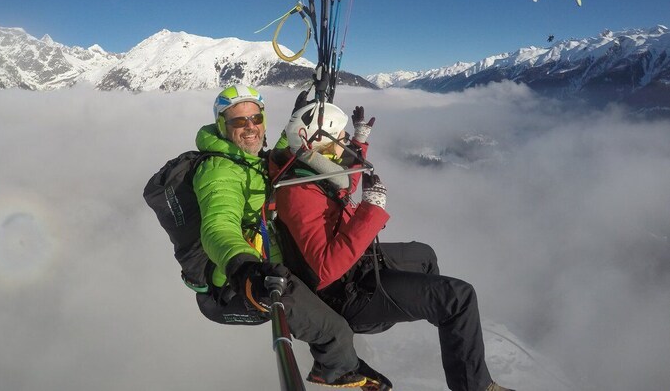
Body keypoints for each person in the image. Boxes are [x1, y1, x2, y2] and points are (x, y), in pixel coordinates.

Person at [270, 100, 515, 391]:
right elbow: (326, 269)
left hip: (355, 267)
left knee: (424, 255)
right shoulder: (300, 194)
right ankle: (475, 385)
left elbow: (342, 182)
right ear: (319, 143)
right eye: (342, 137)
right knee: (458, 298)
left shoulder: (306, 169)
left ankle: (434, 316)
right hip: (347, 293)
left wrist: (359, 143)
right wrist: (370, 211)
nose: (345, 141)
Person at [191, 84, 389, 388]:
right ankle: (340, 371)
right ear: (221, 125)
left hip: (268, 262)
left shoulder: (247, 158)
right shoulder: (220, 172)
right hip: (242, 284)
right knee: (334, 330)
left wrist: (295, 124)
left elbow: (278, 157)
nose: (250, 127)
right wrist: (244, 267)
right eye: (237, 122)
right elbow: (219, 225)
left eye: (255, 119)